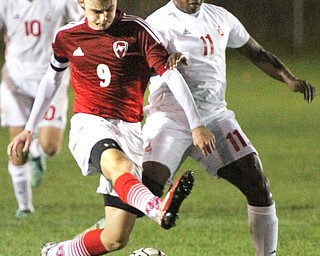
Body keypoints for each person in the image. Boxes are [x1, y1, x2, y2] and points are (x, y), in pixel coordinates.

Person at [7, 0, 216, 255]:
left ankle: (57, 252)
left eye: (109, 10)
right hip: (90, 123)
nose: (103, 17)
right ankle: (155, 208)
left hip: (129, 130)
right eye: (96, 11)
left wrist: (196, 124)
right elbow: (52, 79)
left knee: (115, 238)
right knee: (121, 166)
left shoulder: (137, 31)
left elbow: (171, 75)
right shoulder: (68, 36)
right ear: (82, 3)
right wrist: (29, 128)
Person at [140, 1, 316, 256]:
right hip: (169, 118)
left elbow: (256, 52)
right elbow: (137, 68)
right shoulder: (156, 23)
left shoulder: (220, 17)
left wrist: (289, 79)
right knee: (145, 195)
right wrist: (163, 64)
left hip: (215, 118)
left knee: (257, 184)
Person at [0, 0, 83, 218]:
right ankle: (24, 206)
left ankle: (38, 151)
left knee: (51, 146)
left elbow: (81, 25)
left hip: (51, 77)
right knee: (17, 147)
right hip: (15, 80)